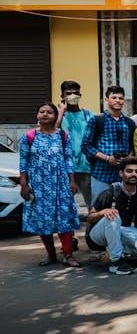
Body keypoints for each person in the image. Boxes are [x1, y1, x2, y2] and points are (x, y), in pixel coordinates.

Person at [19, 102, 80, 267]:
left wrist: (72, 181)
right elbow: (23, 162)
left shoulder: (63, 136)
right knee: (42, 219)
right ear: (37, 115)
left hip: (60, 183)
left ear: (55, 116)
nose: (45, 114)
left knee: (64, 218)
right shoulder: (29, 137)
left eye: (49, 112)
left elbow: (69, 159)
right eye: (42, 112)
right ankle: (51, 255)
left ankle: (68, 255)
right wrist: (24, 185)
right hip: (38, 185)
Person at [86, 157, 137, 275]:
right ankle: (116, 262)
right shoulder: (111, 191)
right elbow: (90, 217)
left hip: (121, 230)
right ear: (121, 173)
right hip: (97, 236)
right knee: (114, 216)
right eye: (129, 171)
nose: (133, 174)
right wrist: (103, 212)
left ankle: (119, 252)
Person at [82, 85, 136, 202]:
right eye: (114, 97)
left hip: (123, 176)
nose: (117, 100)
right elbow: (86, 146)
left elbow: (133, 147)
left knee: (122, 211)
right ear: (106, 100)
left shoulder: (129, 122)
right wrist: (107, 158)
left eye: (120, 98)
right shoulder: (97, 120)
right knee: (99, 209)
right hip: (101, 174)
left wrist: (127, 159)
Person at [56, 80, 95, 210]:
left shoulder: (89, 115)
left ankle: (92, 230)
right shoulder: (56, 116)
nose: (72, 96)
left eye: (75, 93)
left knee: (93, 204)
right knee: (65, 206)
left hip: (86, 167)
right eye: (68, 93)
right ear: (62, 97)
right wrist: (61, 112)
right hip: (64, 168)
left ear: (80, 95)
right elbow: (51, 133)